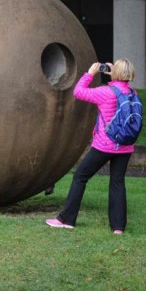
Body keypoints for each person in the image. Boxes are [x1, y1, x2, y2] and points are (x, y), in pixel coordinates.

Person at [45, 58, 137, 235]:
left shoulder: (105, 92)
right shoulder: (132, 93)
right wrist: (115, 75)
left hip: (105, 145)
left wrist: (90, 73)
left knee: (80, 176)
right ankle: (118, 228)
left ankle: (66, 219)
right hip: (125, 146)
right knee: (117, 182)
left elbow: (79, 92)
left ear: (115, 72)